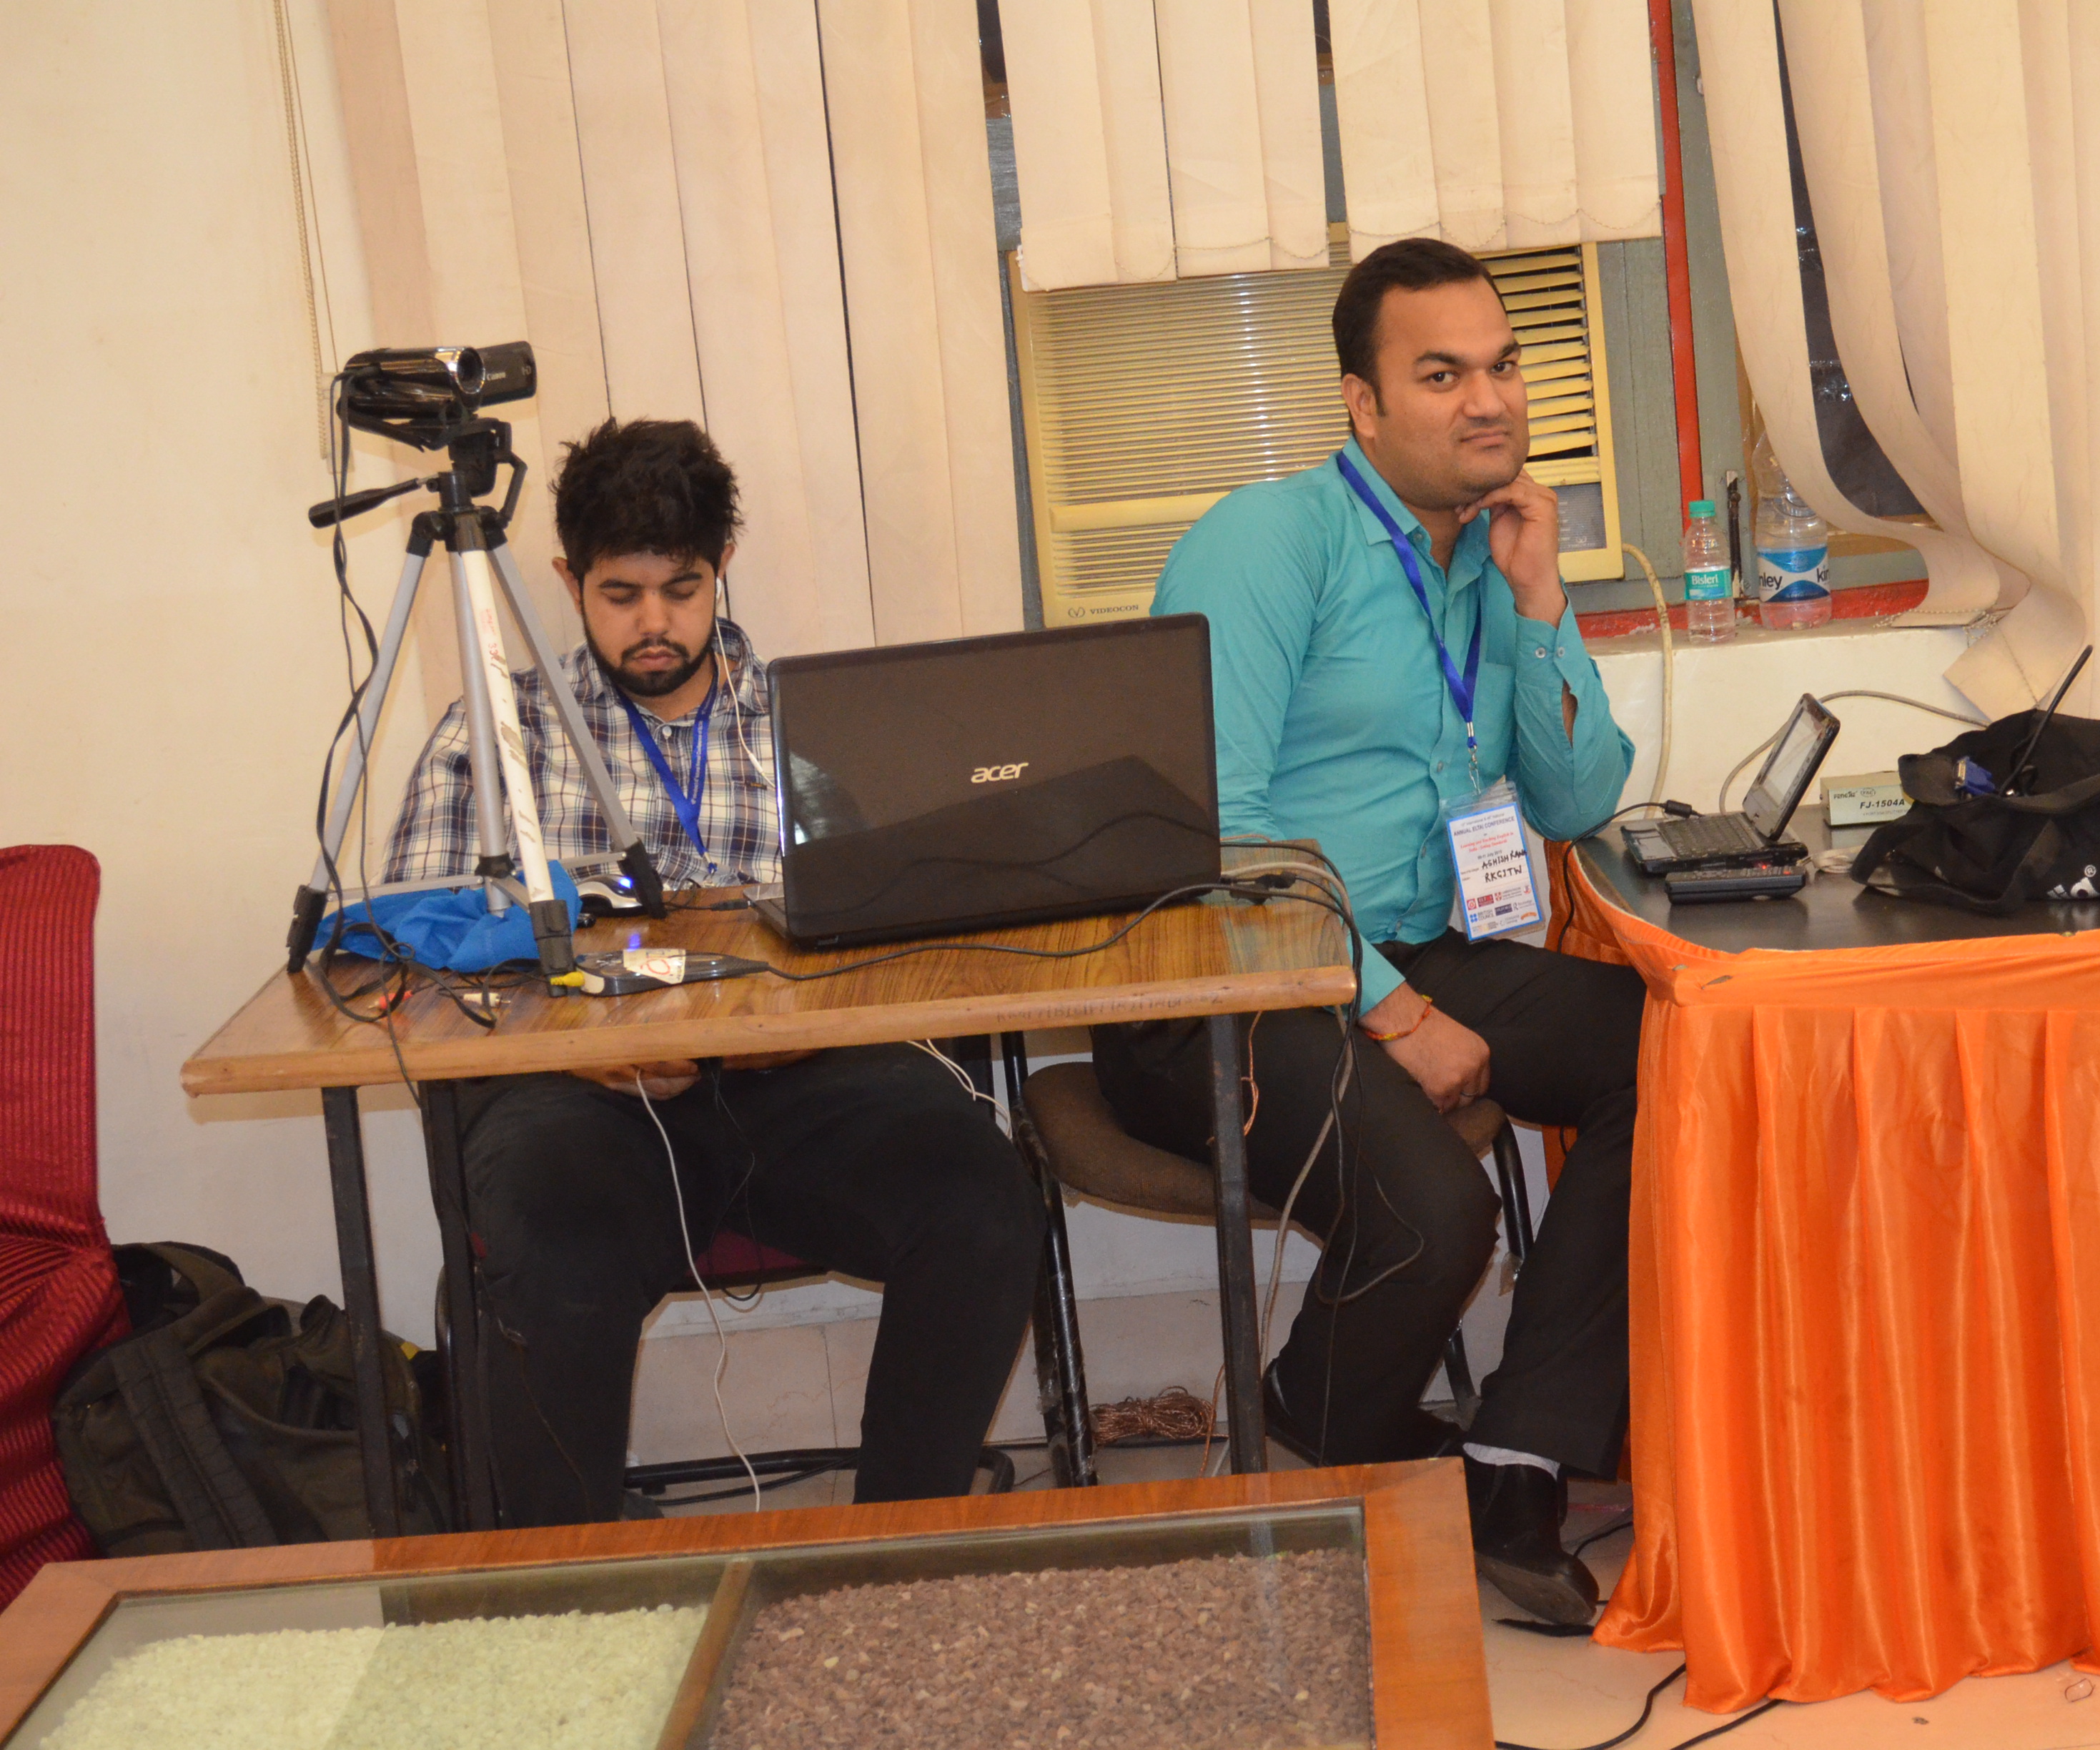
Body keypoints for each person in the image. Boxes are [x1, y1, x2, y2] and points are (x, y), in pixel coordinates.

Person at [1091, 239, 1643, 1623]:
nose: (1488, 401)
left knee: (1675, 1043)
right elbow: (1218, 829)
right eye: (1441, 374)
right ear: (1363, 402)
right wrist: (1394, 1013)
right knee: (1437, 1207)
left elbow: (1578, 799)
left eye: (1503, 366)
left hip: (1403, 944)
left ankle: (1520, 1453)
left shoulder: (1489, 557)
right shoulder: (1266, 544)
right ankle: (1324, 1414)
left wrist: (1540, 602)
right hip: (1224, 978)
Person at [381, 417, 1041, 1527]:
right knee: (555, 1247)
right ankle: (573, 1596)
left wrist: (802, 1023)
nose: (654, 624)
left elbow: (892, 943)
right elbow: (410, 959)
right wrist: (576, 1046)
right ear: (568, 582)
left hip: (800, 1080)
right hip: (578, 1099)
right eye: (620, 594)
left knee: (983, 1202)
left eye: (680, 590)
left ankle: (900, 1553)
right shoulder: (496, 739)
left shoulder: (811, 727)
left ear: (721, 567)